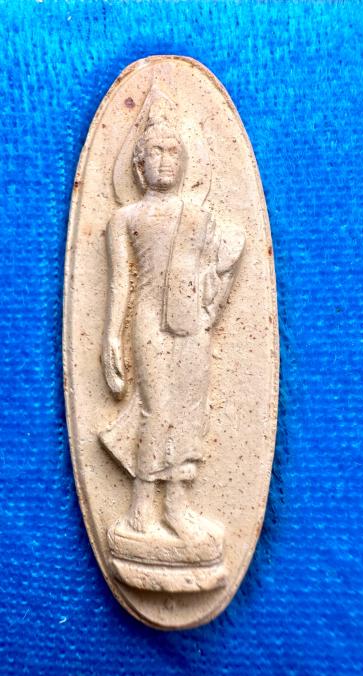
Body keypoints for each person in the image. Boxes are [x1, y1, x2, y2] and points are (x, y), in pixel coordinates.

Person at [100, 95, 244, 547]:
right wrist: (110, 339)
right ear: (138, 164)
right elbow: (120, 281)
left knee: (189, 410)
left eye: (173, 152)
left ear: (185, 162)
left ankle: (177, 507)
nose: (165, 160)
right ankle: (142, 503)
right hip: (147, 320)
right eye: (156, 152)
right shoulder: (125, 218)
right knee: (157, 408)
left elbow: (217, 268)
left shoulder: (201, 217)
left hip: (191, 322)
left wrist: (214, 295)